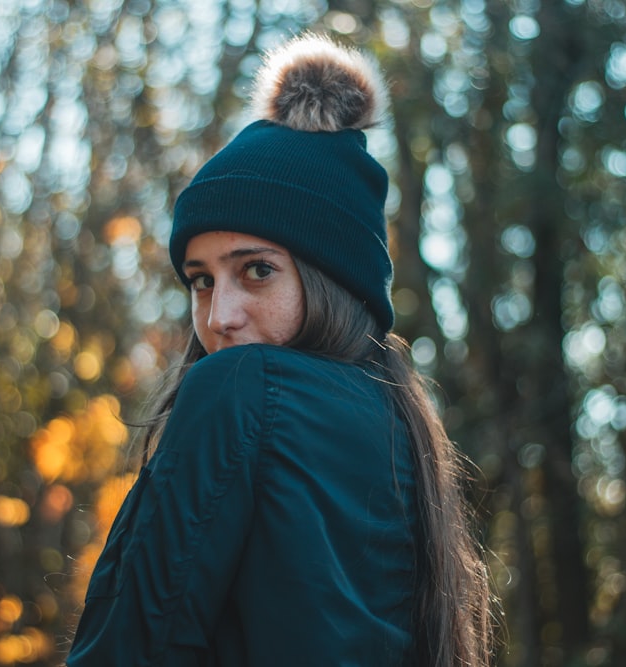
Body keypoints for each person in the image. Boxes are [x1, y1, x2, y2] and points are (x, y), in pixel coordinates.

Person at [66, 33, 494, 667]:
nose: (219, 316)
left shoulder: (238, 390)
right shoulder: (404, 430)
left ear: (332, 281)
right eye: (201, 279)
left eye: (257, 271)